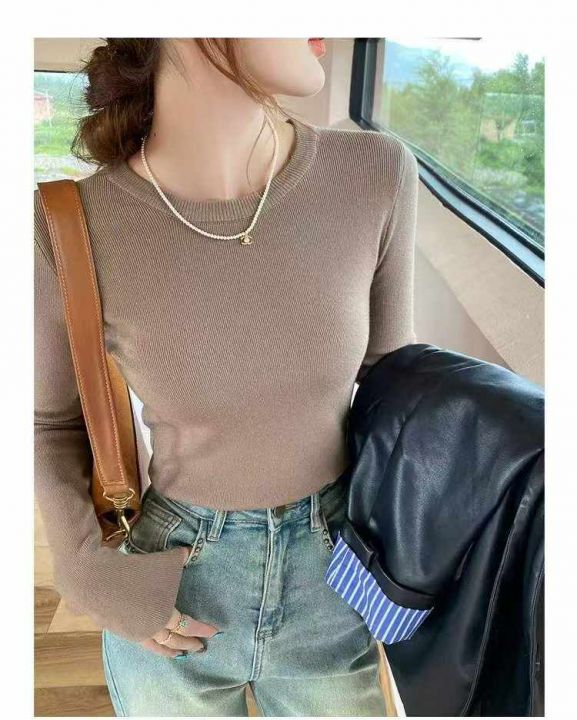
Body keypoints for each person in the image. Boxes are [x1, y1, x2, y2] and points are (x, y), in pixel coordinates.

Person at [34, 38, 419, 716]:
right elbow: (49, 422)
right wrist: (85, 568)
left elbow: (399, 389)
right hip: (174, 585)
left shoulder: (374, 172)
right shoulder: (69, 224)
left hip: (336, 573)